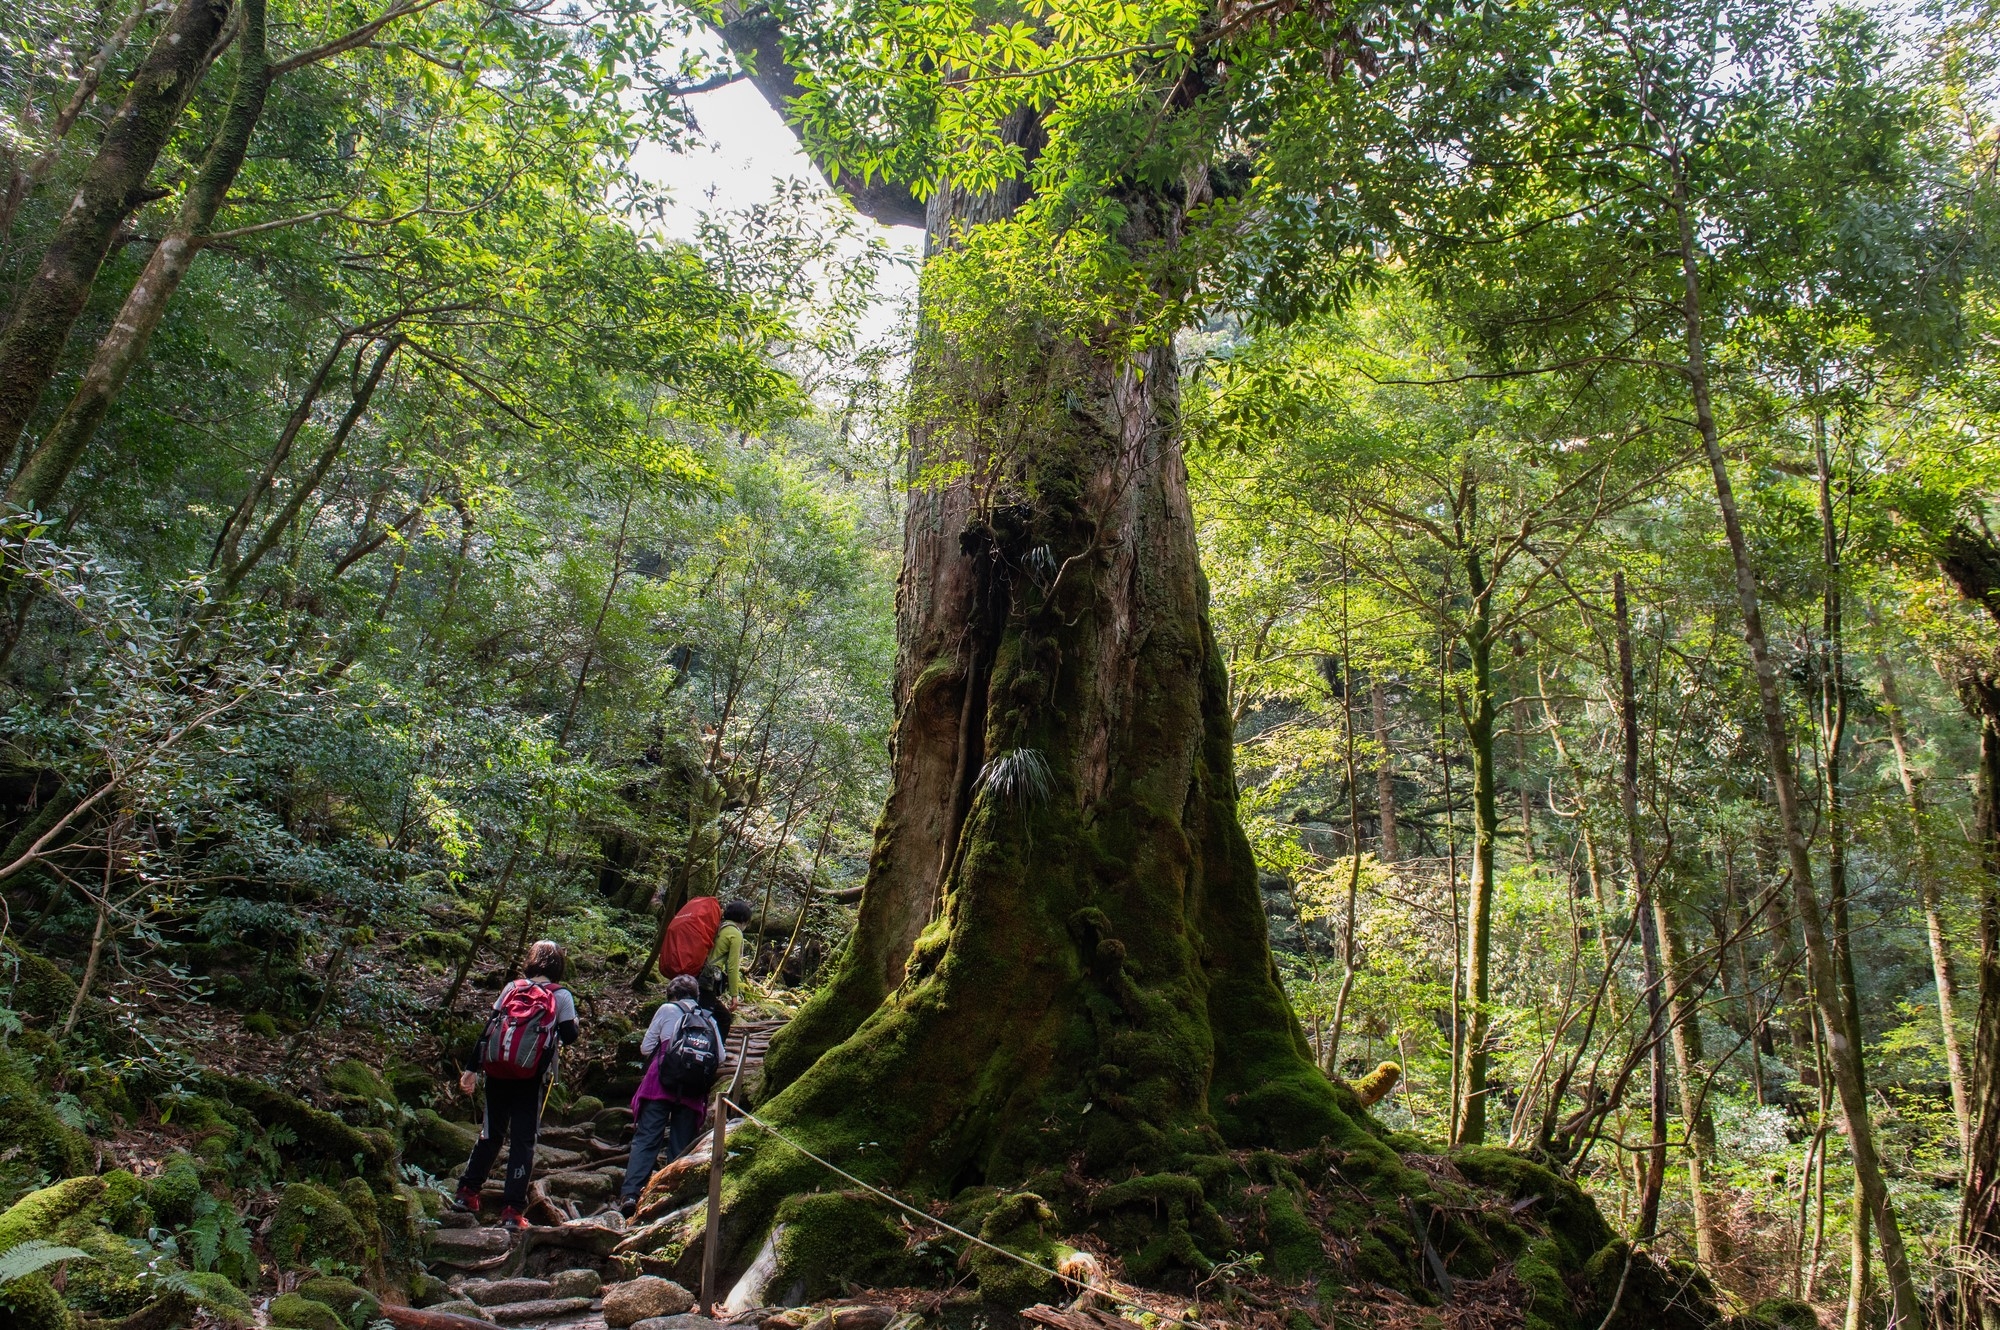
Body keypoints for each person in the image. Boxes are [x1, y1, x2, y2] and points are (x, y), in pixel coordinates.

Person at [454, 940, 578, 1227]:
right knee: (522, 1140)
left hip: (497, 1071)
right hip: (530, 1077)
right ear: (560, 966)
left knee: (490, 1133)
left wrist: (471, 1069)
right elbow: (569, 1035)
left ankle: (467, 1193)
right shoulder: (561, 996)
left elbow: (489, 1028)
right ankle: (512, 1211)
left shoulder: (512, 988)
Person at [620, 974, 722, 1216]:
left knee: (646, 1139)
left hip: (660, 1083)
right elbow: (720, 1057)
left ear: (673, 995)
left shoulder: (667, 1009)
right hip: (693, 1091)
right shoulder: (709, 1019)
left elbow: (645, 1047)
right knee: (681, 1145)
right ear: (696, 997)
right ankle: (671, 1199)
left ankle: (631, 1194)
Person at [699, 899, 752, 1041]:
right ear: (742, 919)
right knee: (723, 1018)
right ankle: (714, 1055)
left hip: (698, 972)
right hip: (707, 979)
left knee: (704, 1014)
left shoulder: (719, 927)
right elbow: (733, 967)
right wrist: (735, 995)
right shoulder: (735, 933)